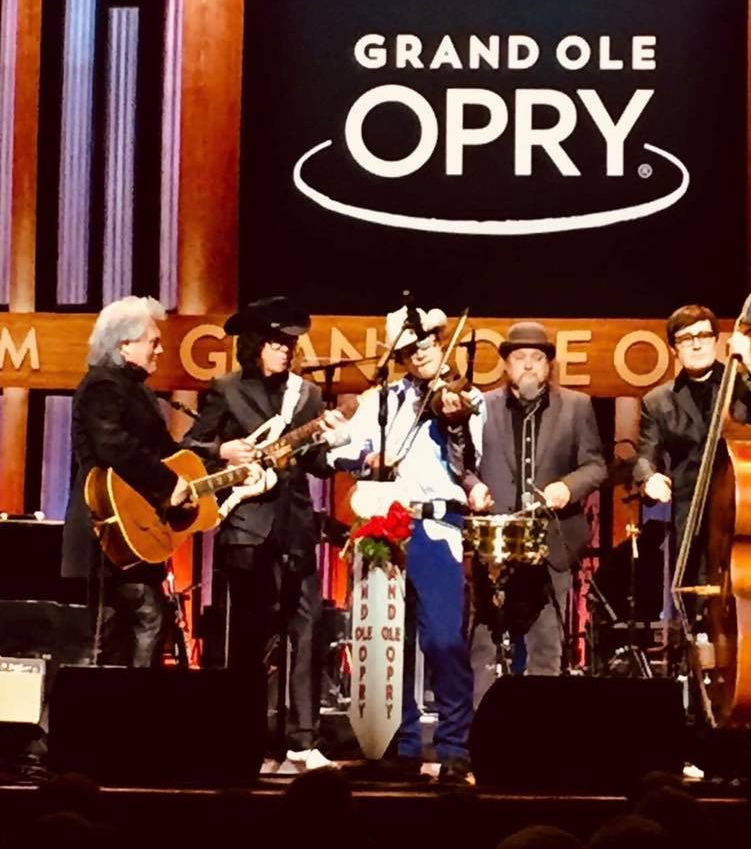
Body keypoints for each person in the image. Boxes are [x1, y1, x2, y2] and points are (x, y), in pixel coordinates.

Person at [329, 303, 484, 782]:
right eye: (411, 349)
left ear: (441, 345)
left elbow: (468, 457)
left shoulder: (465, 396)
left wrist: (454, 420)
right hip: (385, 527)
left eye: (429, 345)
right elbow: (340, 452)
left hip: (436, 528)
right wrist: (364, 456)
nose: (422, 355)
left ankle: (456, 746)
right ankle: (402, 743)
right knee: (389, 641)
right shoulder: (383, 401)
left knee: (442, 639)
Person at [182, 297, 337, 769]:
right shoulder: (226, 390)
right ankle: (244, 737)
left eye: (289, 344)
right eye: (275, 343)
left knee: (307, 628)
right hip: (247, 528)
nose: (285, 351)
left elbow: (313, 463)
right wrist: (223, 450)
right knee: (248, 637)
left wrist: (337, 448)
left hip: (295, 527)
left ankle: (302, 740)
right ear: (254, 346)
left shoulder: (306, 396)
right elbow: (193, 447)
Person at [465, 322, 606, 704]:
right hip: (496, 543)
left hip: (554, 542)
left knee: (547, 645)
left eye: (537, 358)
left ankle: (539, 743)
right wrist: (472, 486)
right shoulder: (481, 406)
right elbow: (460, 462)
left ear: (548, 366)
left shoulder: (577, 406)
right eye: (520, 358)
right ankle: (484, 739)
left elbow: (596, 466)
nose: (529, 366)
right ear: (507, 365)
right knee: (486, 643)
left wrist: (568, 487)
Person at [62, 295, 189, 667]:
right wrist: (168, 483)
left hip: (133, 532)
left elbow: (167, 451)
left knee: (122, 628)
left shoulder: (139, 391)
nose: (161, 349)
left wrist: (218, 457)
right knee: (132, 623)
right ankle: (121, 716)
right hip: (105, 530)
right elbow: (114, 445)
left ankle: (115, 717)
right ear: (124, 345)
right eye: (153, 341)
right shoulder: (103, 386)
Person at [633, 303, 751, 545]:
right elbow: (646, 454)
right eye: (686, 338)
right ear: (673, 349)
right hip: (690, 521)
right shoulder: (658, 401)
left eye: (704, 335)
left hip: (744, 512)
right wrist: (649, 478)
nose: (696, 344)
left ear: (716, 340)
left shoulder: (743, 385)